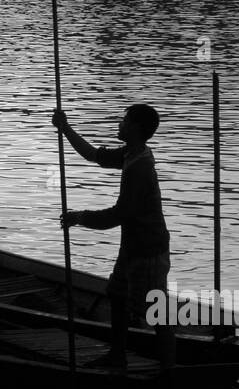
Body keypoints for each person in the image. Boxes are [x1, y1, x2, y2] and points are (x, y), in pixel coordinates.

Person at [51, 104, 173, 369]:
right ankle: (118, 355)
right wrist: (66, 129)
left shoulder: (139, 166)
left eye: (124, 120)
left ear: (136, 128)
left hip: (148, 249)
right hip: (131, 248)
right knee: (117, 295)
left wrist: (79, 217)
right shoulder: (131, 153)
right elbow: (94, 156)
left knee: (156, 309)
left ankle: (168, 367)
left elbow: (120, 214)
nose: (120, 123)